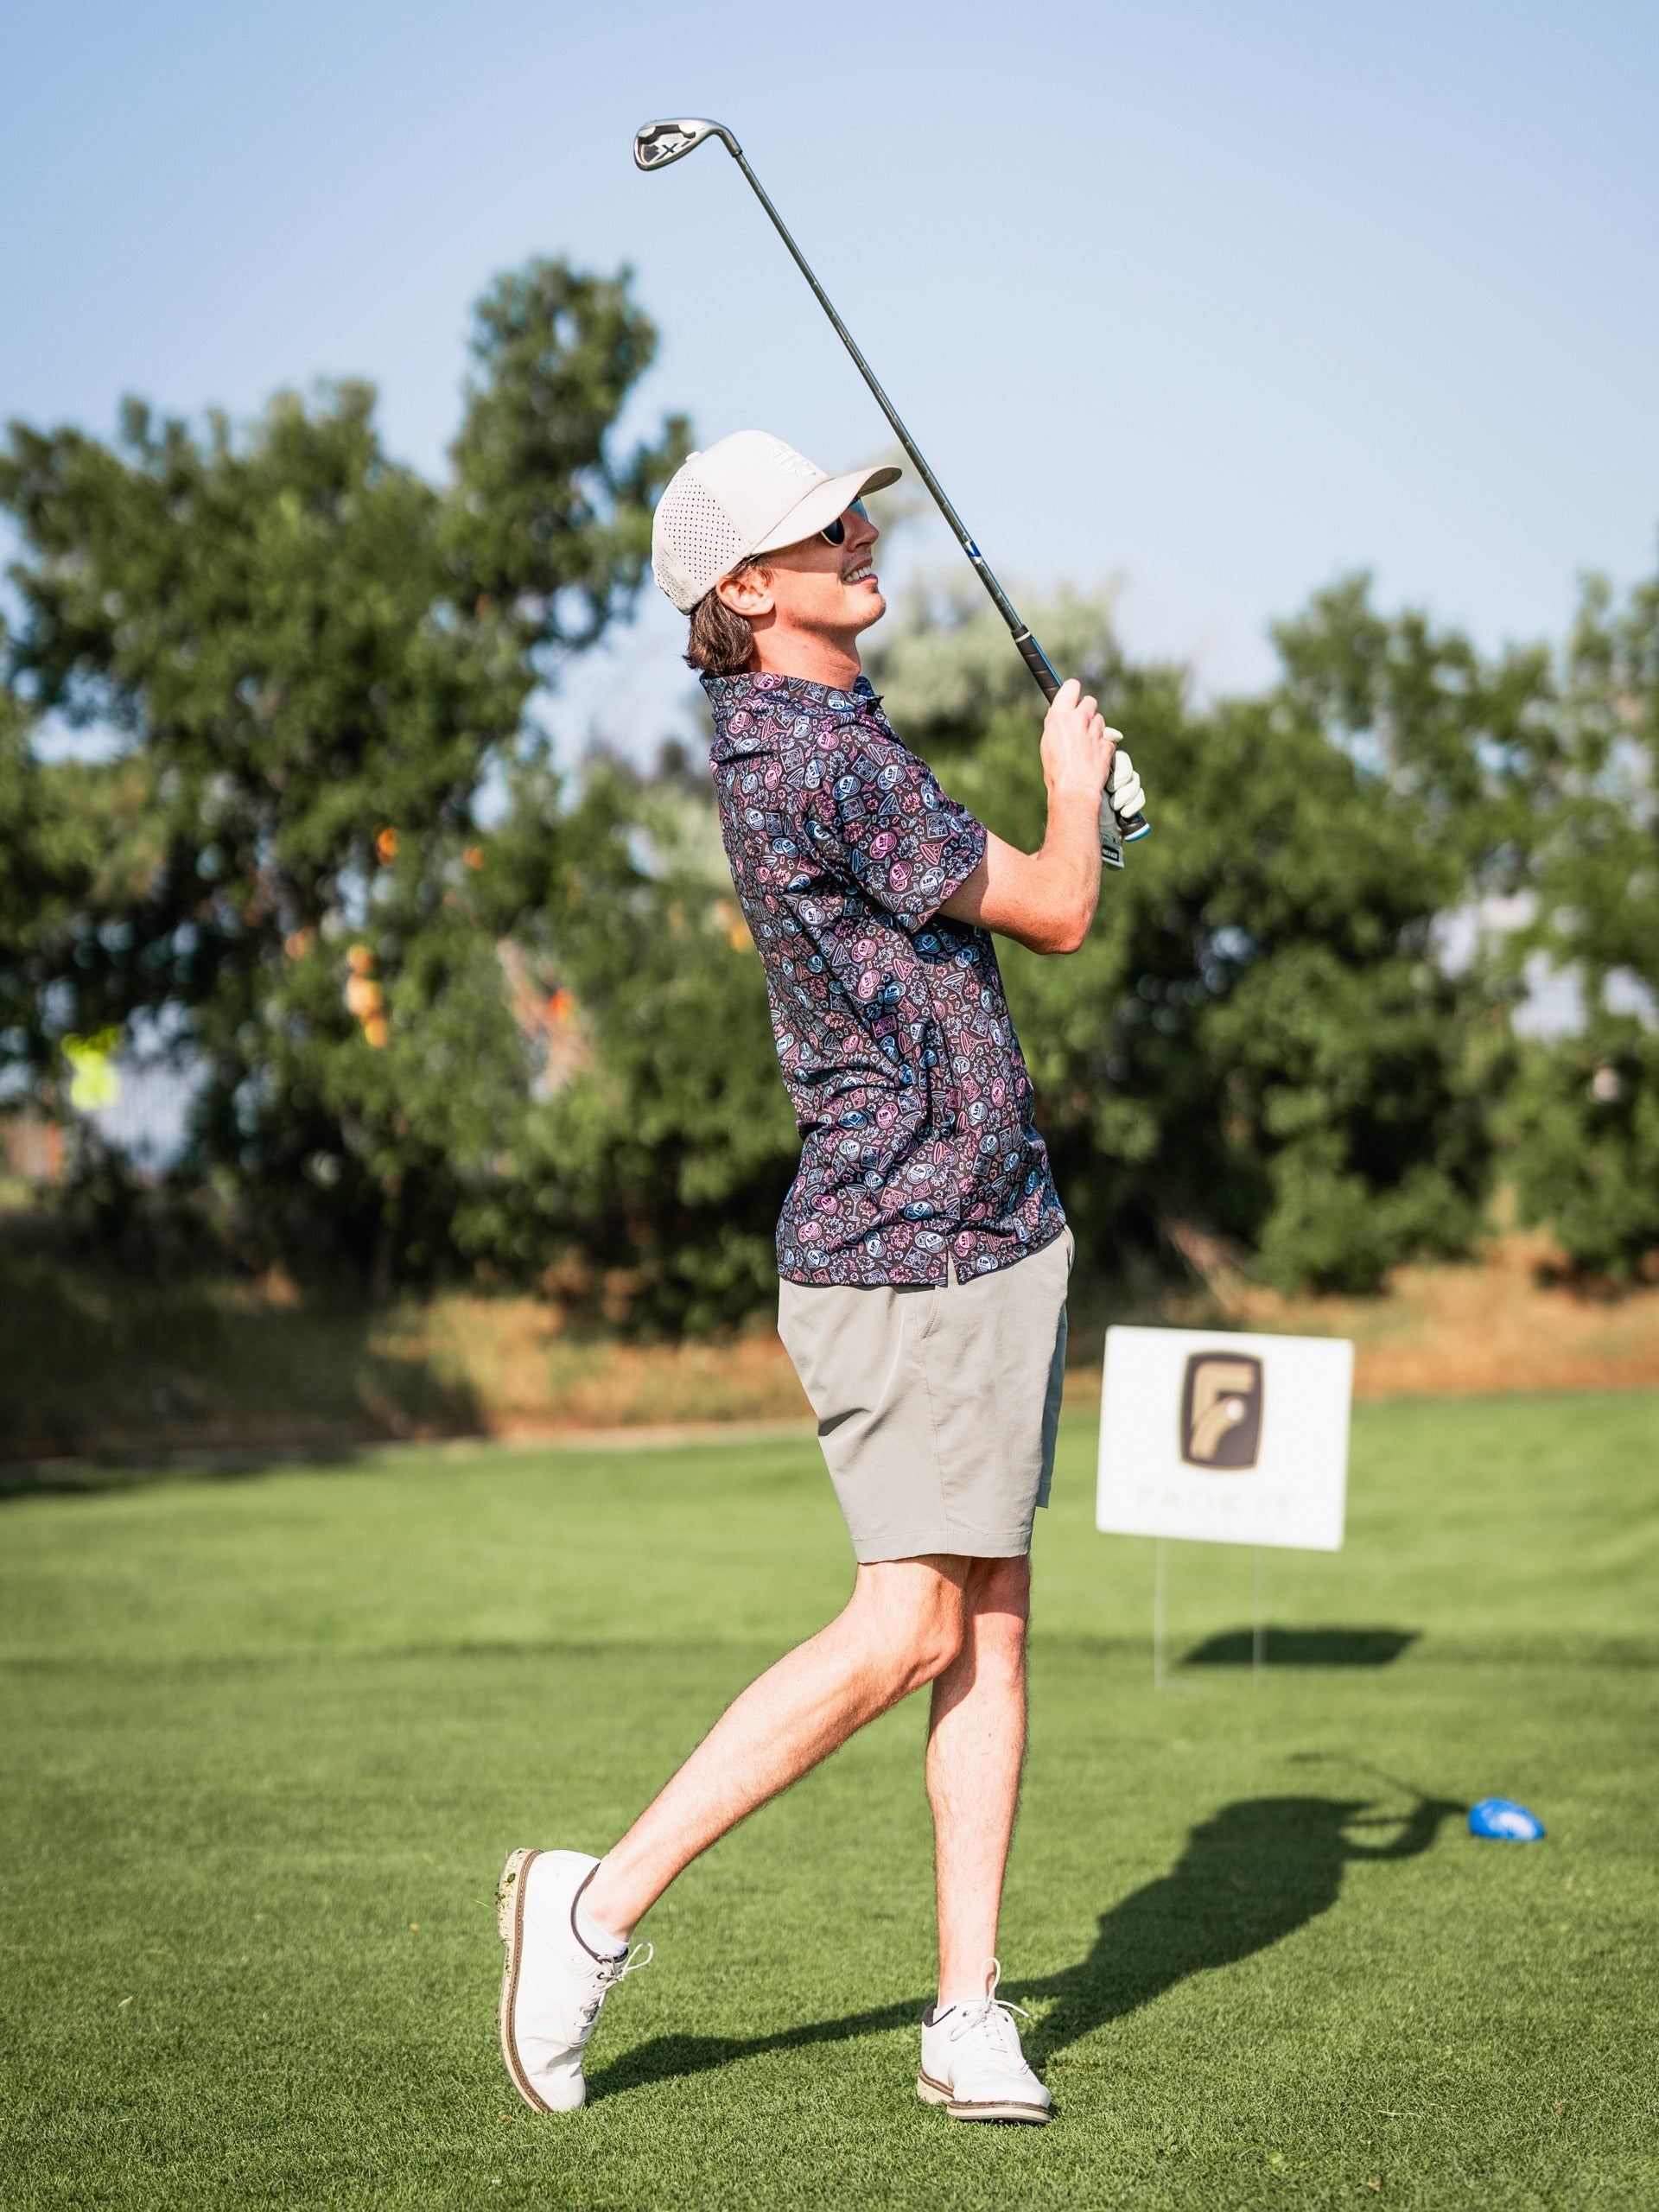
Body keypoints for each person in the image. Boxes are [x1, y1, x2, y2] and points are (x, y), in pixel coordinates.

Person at [497, 431, 1145, 2126]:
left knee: (989, 1627)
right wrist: (1076, 786)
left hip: (988, 1227)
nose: (859, 535)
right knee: (912, 1620)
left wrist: (1073, 818)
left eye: (848, 512)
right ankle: (595, 1901)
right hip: (906, 1247)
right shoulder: (823, 758)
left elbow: (995, 908)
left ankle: (964, 2009)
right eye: (815, 531)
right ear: (745, 589)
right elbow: (1059, 910)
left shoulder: (823, 737)